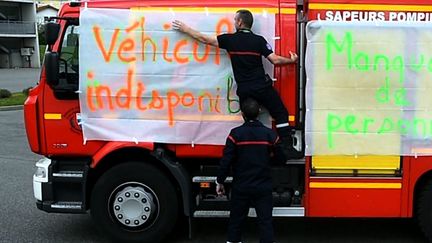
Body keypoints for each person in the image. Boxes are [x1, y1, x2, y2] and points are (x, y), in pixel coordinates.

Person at [172, 9, 302, 159]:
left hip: (245, 90)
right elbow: (275, 60)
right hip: (262, 87)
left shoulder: (230, 40)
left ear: (240, 22)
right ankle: (286, 148)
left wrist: (185, 29)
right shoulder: (259, 41)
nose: (234, 22)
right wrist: (291, 61)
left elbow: (204, 39)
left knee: (250, 122)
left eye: (235, 20)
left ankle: (252, 152)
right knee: (280, 113)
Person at [215, 98, 283, 243]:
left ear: (242, 114)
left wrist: (220, 181)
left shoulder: (235, 134)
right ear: (259, 112)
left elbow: (226, 160)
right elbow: (281, 158)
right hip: (263, 185)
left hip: (241, 186)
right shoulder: (269, 135)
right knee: (265, 222)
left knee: (236, 221)